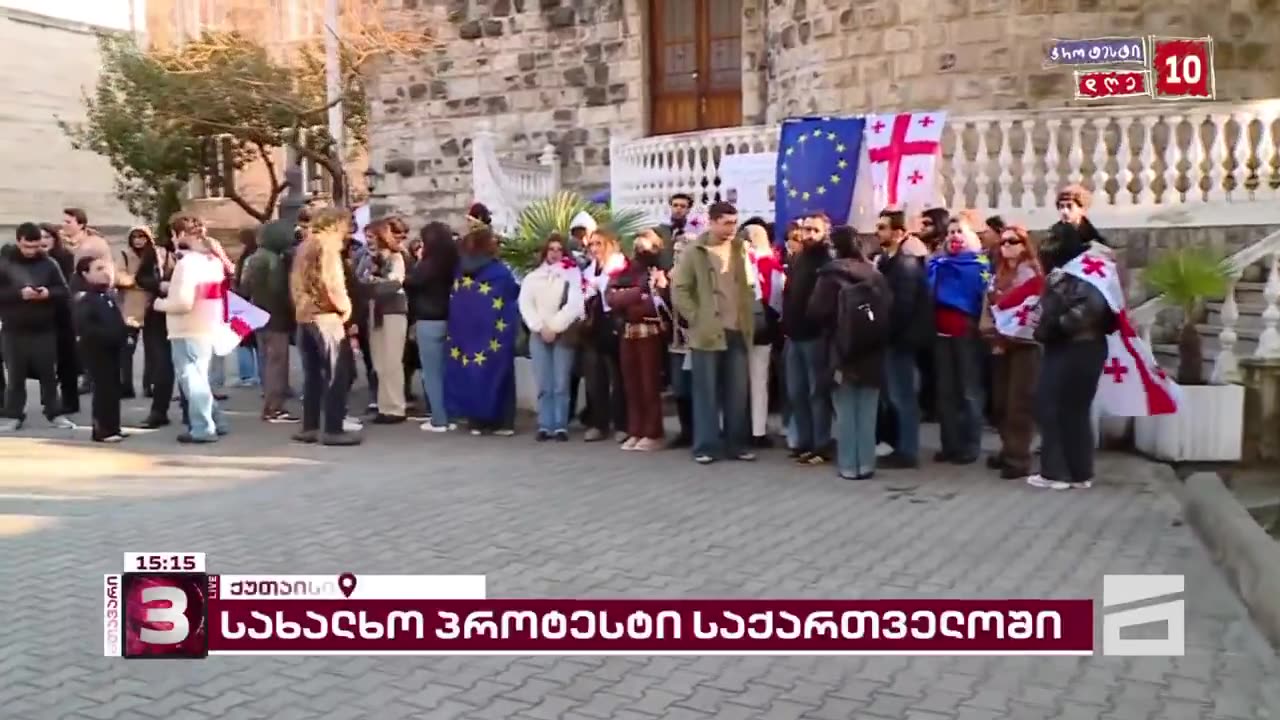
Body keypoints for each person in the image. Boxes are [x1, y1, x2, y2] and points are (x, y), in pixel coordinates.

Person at [1028, 223, 1115, 490]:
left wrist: (1049, 327)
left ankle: (1057, 472)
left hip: (1074, 346)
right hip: (1078, 346)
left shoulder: (1087, 272)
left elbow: (1088, 310)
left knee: (1053, 406)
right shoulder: (1082, 270)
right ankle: (1078, 472)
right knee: (1072, 410)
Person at [671, 201, 756, 465]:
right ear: (713, 221)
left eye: (734, 222)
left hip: (737, 329)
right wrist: (697, 317)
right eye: (726, 223)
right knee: (705, 392)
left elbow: (750, 285)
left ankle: (736, 444)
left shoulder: (741, 248)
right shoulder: (694, 251)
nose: (732, 228)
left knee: (738, 392)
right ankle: (705, 446)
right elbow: (680, 289)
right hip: (707, 332)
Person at [808, 226, 891, 480]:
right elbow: (889, 309)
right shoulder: (874, 274)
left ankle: (848, 465)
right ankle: (866, 464)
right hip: (872, 349)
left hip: (840, 349)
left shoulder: (829, 275)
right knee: (867, 409)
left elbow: (816, 311)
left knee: (844, 410)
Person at [154, 216, 233, 444]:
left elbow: (183, 303)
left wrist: (160, 303)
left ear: (180, 235)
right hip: (208, 323)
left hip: (187, 327)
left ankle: (202, 427)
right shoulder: (212, 261)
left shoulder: (186, 264)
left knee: (192, 379)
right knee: (201, 378)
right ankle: (217, 421)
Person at [290, 208, 362, 446]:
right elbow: (331, 283)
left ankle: (309, 427)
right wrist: (345, 308)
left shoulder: (304, 246)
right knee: (336, 373)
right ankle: (333, 428)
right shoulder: (328, 247)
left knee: (312, 375)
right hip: (325, 317)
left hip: (304, 316)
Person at [0, 223, 76, 431]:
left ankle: (54, 413)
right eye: (27, 247)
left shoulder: (49, 263)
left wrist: (47, 293)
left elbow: (64, 291)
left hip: (44, 329)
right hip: (13, 329)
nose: (32, 252)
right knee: (15, 375)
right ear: (18, 241)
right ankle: (14, 415)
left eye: (36, 247)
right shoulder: (4, 263)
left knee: (48, 374)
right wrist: (18, 295)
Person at [444, 226, 520, 436]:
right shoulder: (500, 272)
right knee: (499, 371)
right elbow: (511, 294)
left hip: (464, 331)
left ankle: (476, 421)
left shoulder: (460, 270)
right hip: (495, 332)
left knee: (469, 371)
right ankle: (503, 422)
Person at [927, 212, 990, 465]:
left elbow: (983, 297)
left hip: (966, 332)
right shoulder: (938, 264)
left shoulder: (979, 265)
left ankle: (970, 445)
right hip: (940, 332)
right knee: (945, 391)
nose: (954, 236)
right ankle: (949, 444)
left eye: (959, 232)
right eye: (950, 232)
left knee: (968, 390)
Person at [982, 224, 1043, 479]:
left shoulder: (1031, 274)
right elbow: (991, 301)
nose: (1006, 246)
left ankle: (1019, 458)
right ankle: (1008, 449)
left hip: (1024, 345)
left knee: (1019, 402)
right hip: (1001, 343)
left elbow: (1029, 306)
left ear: (1024, 244)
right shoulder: (998, 273)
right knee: (1000, 402)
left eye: (1013, 241)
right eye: (1003, 242)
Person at [874, 210, 932, 469]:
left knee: (904, 396)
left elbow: (902, 307)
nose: (878, 232)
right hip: (894, 340)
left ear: (898, 232)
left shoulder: (906, 264)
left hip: (902, 341)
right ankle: (901, 446)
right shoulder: (891, 261)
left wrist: (890, 334)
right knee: (896, 396)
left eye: (883, 227)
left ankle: (908, 451)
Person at [518, 234, 585, 441]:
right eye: (551, 249)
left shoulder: (572, 275)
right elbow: (525, 304)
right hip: (539, 334)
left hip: (562, 334)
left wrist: (555, 326)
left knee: (560, 382)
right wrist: (539, 327)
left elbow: (574, 304)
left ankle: (560, 424)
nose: (555, 253)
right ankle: (545, 424)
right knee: (544, 383)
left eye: (559, 249)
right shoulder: (532, 277)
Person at [607, 229, 667, 451]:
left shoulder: (661, 271)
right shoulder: (624, 271)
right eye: (637, 246)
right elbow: (612, 298)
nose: (640, 251)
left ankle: (653, 432)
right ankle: (636, 430)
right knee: (631, 385)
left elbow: (655, 304)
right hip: (627, 331)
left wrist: (630, 297)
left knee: (648, 384)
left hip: (650, 332)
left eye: (646, 246)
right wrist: (636, 294)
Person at [781, 212, 833, 465]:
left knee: (817, 393)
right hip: (794, 335)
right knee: (796, 392)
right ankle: (804, 442)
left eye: (815, 230)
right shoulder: (798, 258)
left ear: (825, 233)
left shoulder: (828, 260)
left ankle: (821, 445)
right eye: (806, 229)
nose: (809, 235)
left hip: (816, 336)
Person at [238, 221, 299, 423]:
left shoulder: (254, 258)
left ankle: (270, 405)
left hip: (258, 316)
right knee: (277, 364)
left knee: (267, 362)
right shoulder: (273, 261)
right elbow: (280, 291)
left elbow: (244, 288)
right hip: (276, 318)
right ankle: (274, 408)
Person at [406, 222, 459, 433]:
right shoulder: (453, 262)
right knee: (446, 371)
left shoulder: (427, 265)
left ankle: (439, 418)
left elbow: (412, 283)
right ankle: (451, 414)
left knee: (432, 373)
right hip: (449, 319)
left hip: (428, 320)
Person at [358, 218, 411, 424]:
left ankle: (396, 408)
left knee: (392, 361)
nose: (368, 241)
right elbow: (360, 280)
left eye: (371, 237)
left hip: (392, 312)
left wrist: (372, 284)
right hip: (374, 311)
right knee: (379, 363)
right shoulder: (369, 259)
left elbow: (394, 284)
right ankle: (383, 405)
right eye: (366, 237)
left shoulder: (396, 257)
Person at [580, 229, 629, 442]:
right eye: (592, 245)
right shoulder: (590, 269)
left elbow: (615, 294)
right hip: (594, 325)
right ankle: (598, 423)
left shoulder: (620, 266)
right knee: (595, 377)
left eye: (599, 244)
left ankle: (622, 424)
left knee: (619, 379)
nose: (594, 249)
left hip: (614, 324)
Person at [73, 256, 128, 443]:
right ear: (85, 274)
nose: (105, 272)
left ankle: (114, 427)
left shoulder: (107, 296)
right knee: (103, 389)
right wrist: (110, 335)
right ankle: (102, 430)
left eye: (106, 268)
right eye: (98, 269)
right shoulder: (87, 299)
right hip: (98, 351)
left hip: (112, 350)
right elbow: (86, 328)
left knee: (113, 389)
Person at [135, 225, 178, 427]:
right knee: (162, 364)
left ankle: (194, 413)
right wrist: (157, 284)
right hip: (159, 314)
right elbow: (141, 277)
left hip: (186, 313)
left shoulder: (200, 255)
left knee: (190, 366)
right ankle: (159, 411)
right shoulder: (157, 252)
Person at [744, 224, 782, 448]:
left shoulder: (737, 260)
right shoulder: (771, 263)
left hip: (739, 324)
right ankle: (758, 429)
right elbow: (777, 299)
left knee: (739, 380)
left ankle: (739, 426)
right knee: (759, 379)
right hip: (763, 324)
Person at [39, 223, 82, 412]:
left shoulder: (64, 257)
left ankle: (70, 401)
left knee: (66, 360)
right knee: (45, 361)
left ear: (55, 239)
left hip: (62, 313)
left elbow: (67, 285)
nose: (43, 241)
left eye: (47, 237)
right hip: (41, 314)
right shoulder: (35, 260)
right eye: (40, 238)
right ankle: (49, 400)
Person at [661, 228, 696, 448]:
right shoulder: (671, 275)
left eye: (682, 251)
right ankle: (685, 431)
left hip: (694, 339)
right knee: (680, 388)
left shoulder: (697, 276)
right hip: (676, 342)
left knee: (696, 388)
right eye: (675, 251)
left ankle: (700, 431)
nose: (678, 255)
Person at [116, 227, 157, 399]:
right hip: (130, 307)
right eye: (135, 237)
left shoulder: (155, 255)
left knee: (152, 350)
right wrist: (138, 281)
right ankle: (126, 386)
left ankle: (149, 385)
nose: (138, 240)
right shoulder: (125, 255)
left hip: (151, 306)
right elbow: (119, 278)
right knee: (127, 349)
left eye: (142, 237)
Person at [231, 228, 260, 387]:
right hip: (256, 301)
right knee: (259, 343)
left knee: (244, 341)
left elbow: (241, 281)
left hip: (242, 301)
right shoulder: (257, 256)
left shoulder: (245, 258)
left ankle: (247, 375)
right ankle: (261, 375)